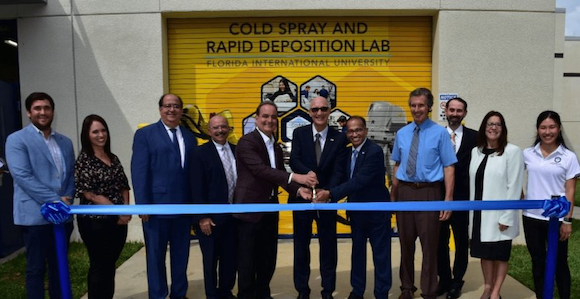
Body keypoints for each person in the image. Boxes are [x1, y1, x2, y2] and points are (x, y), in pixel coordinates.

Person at [233, 102, 317, 299]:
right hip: (249, 211)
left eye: (273, 117)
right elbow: (261, 170)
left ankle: (263, 294)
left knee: (267, 259)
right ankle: (246, 296)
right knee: (247, 261)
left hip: (270, 209)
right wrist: (296, 178)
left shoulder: (276, 147)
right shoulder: (247, 142)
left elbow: (278, 176)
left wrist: (299, 191)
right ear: (256, 118)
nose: (269, 120)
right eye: (265, 116)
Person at [6, 92, 75, 299]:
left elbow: (70, 174)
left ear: (53, 111)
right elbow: (22, 175)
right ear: (29, 112)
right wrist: (55, 200)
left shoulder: (65, 141)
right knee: (36, 269)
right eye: (37, 108)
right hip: (34, 216)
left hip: (62, 217)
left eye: (46, 108)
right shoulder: (17, 139)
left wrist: (68, 199)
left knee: (59, 266)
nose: (42, 112)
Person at [390, 87, 457, 299]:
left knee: (430, 247)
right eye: (413, 105)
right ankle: (407, 289)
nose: (416, 109)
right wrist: (394, 194)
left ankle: (429, 291)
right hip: (405, 193)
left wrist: (447, 200)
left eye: (421, 105)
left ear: (429, 107)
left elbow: (449, 167)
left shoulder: (440, 134)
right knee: (406, 245)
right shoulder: (402, 133)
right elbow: (397, 165)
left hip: (430, 193)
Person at [131, 93, 197, 299]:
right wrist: (143, 206)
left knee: (181, 256)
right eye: (167, 106)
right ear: (160, 109)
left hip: (184, 209)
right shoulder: (145, 135)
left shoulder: (189, 136)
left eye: (176, 106)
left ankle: (179, 293)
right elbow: (139, 171)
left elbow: (192, 174)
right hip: (156, 208)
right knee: (155, 257)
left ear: (181, 110)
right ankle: (158, 295)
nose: (172, 110)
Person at [317, 116, 392, 299]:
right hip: (357, 213)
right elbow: (341, 177)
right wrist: (322, 189)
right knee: (357, 254)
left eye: (358, 130)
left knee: (381, 256)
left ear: (365, 131)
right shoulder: (348, 153)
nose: (354, 134)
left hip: (377, 213)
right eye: (350, 131)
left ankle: (381, 293)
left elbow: (360, 180)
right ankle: (357, 291)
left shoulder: (374, 151)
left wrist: (331, 194)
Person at [289, 96, 348, 299]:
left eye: (323, 109)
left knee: (328, 248)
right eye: (315, 110)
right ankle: (302, 291)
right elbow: (294, 160)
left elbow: (340, 170)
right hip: (301, 200)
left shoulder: (339, 138)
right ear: (309, 112)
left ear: (329, 111)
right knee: (301, 248)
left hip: (327, 201)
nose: (319, 113)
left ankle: (327, 291)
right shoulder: (299, 133)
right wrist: (306, 175)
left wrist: (328, 192)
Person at [522, 110, 579, 299]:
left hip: (556, 219)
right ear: (538, 130)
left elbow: (570, 191)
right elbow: (512, 177)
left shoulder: (568, 157)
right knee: (538, 262)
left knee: (559, 263)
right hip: (531, 217)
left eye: (552, 127)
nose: (548, 132)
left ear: (559, 128)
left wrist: (568, 220)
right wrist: (521, 197)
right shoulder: (528, 153)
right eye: (543, 127)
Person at [75, 114, 132, 299]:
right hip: (95, 224)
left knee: (109, 265)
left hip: (118, 222)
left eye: (103, 130)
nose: (101, 135)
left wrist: (125, 211)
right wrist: (117, 212)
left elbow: (124, 186)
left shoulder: (113, 158)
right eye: (95, 131)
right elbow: (89, 194)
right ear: (87, 135)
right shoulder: (84, 160)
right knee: (99, 265)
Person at [469, 111, 523, 299]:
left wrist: (507, 216)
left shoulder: (512, 151)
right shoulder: (475, 152)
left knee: (500, 254)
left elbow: (514, 185)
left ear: (503, 128)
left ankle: (496, 293)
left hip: (501, 215)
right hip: (479, 214)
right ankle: (487, 287)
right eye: (490, 124)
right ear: (484, 127)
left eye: (498, 124)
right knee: (485, 254)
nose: (493, 127)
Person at [190, 115, 238, 299]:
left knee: (230, 259)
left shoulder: (237, 150)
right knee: (210, 261)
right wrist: (202, 217)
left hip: (233, 217)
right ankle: (212, 294)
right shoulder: (199, 153)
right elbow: (196, 187)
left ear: (229, 129)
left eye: (223, 127)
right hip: (210, 219)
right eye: (216, 128)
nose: (220, 131)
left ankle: (226, 292)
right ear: (209, 131)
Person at [437, 97, 477, 299]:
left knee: (461, 242)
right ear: (446, 111)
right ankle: (443, 280)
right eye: (451, 110)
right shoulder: (435, 134)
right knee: (439, 242)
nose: (454, 114)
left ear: (465, 113)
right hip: (437, 197)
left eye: (459, 111)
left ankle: (457, 281)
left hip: (463, 198)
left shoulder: (475, 137)